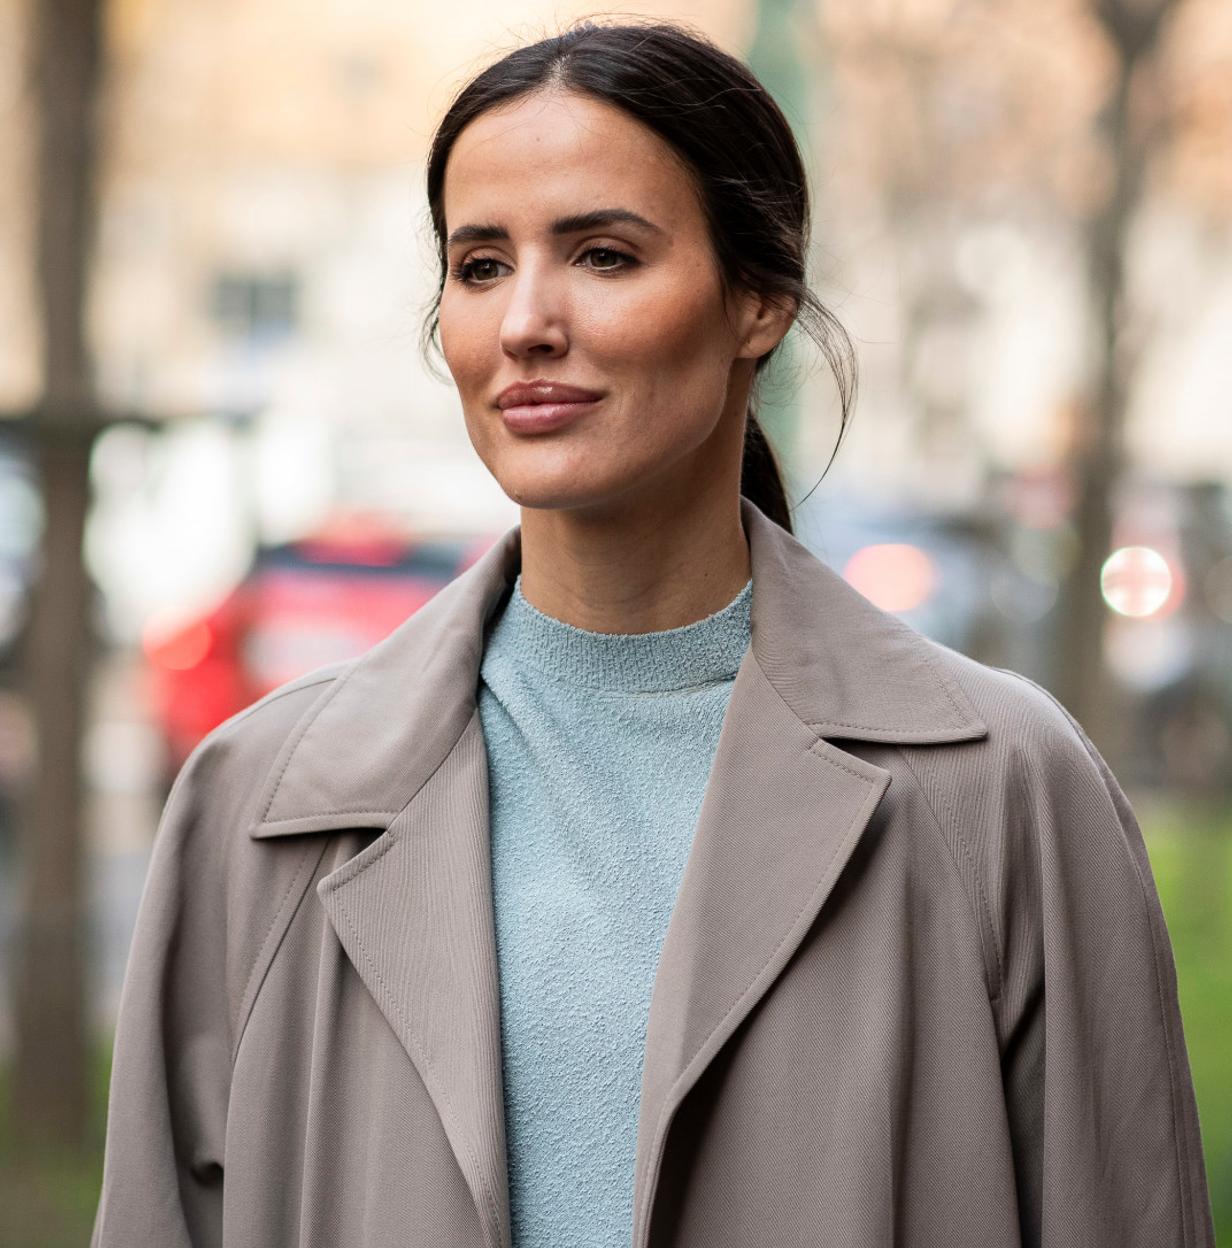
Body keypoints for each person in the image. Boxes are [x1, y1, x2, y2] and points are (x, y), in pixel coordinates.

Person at [91, 18, 1215, 1248]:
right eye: (478, 265)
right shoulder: (257, 811)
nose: (525, 321)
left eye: (604, 255)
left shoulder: (1005, 792)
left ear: (760, 299)